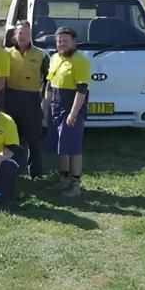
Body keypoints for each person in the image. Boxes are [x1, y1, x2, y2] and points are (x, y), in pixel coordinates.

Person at [44, 26, 90, 197]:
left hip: (71, 109)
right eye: (59, 41)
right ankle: (62, 178)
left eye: (65, 41)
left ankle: (75, 184)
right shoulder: (55, 58)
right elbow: (49, 84)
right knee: (60, 145)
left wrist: (73, 113)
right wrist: (45, 106)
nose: (61, 44)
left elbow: (82, 90)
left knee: (73, 147)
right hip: (56, 107)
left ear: (74, 42)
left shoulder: (80, 61)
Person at [5, 20, 49, 179]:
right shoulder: (7, 53)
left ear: (31, 35)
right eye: (20, 33)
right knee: (12, 139)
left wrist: (44, 99)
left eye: (26, 33)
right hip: (11, 99)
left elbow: (49, 79)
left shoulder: (41, 54)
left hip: (32, 101)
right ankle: (13, 171)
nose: (22, 36)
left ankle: (36, 174)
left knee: (33, 140)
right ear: (15, 35)